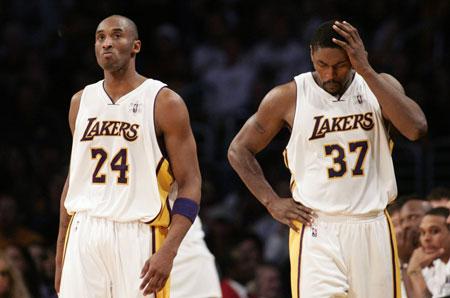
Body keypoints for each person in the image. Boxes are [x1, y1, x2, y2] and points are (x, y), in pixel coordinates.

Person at [228, 20, 428, 298]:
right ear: (311, 54)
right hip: (317, 227)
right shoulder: (288, 97)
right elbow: (239, 149)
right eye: (322, 64)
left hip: (372, 224)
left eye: (340, 65)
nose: (329, 74)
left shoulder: (378, 86)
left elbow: (416, 128)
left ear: (355, 57)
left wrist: (366, 70)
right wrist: (271, 202)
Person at [54, 15, 202, 297]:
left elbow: (191, 183)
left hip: (139, 232)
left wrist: (169, 250)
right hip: (84, 230)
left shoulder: (164, 101)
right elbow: (74, 180)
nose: (107, 43)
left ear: (136, 46)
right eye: (100, 37)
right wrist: (61, 251)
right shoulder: (79, 102)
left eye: (116, 35)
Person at [406, 207, 450, 298]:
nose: (426, 238)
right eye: (422, 232)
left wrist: (414, 272)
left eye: (434, 231)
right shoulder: (434, 266)